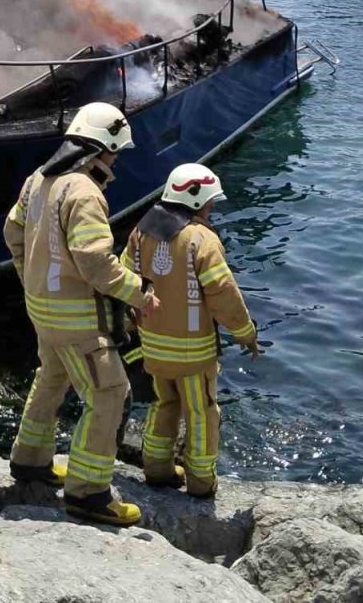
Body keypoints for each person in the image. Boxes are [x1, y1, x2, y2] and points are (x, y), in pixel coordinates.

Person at [4, 102, 159, 527]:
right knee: (109, 392)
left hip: (41, 309)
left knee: (51, 377)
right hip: (76, 319)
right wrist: (140, 292)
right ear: (100, 149)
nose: (116, 160)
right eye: (114, 152)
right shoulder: (85, 193)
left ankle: (30, 460)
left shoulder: (38, 180)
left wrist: (29, 276)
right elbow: (94, 262)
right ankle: (88, 492)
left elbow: (12, 230)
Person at [121, 162, 260, 497]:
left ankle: (156, 469)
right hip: (193, 353)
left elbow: (124, 281)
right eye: (210, 202)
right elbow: (223, 294)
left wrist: (128, 323)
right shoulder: (202, 240)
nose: (212, 208)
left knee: (164, 403)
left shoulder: (141, 232)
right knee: (201, 413)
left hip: (153, 347)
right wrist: (246, 333)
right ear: (198, 202)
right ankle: (200, 481)